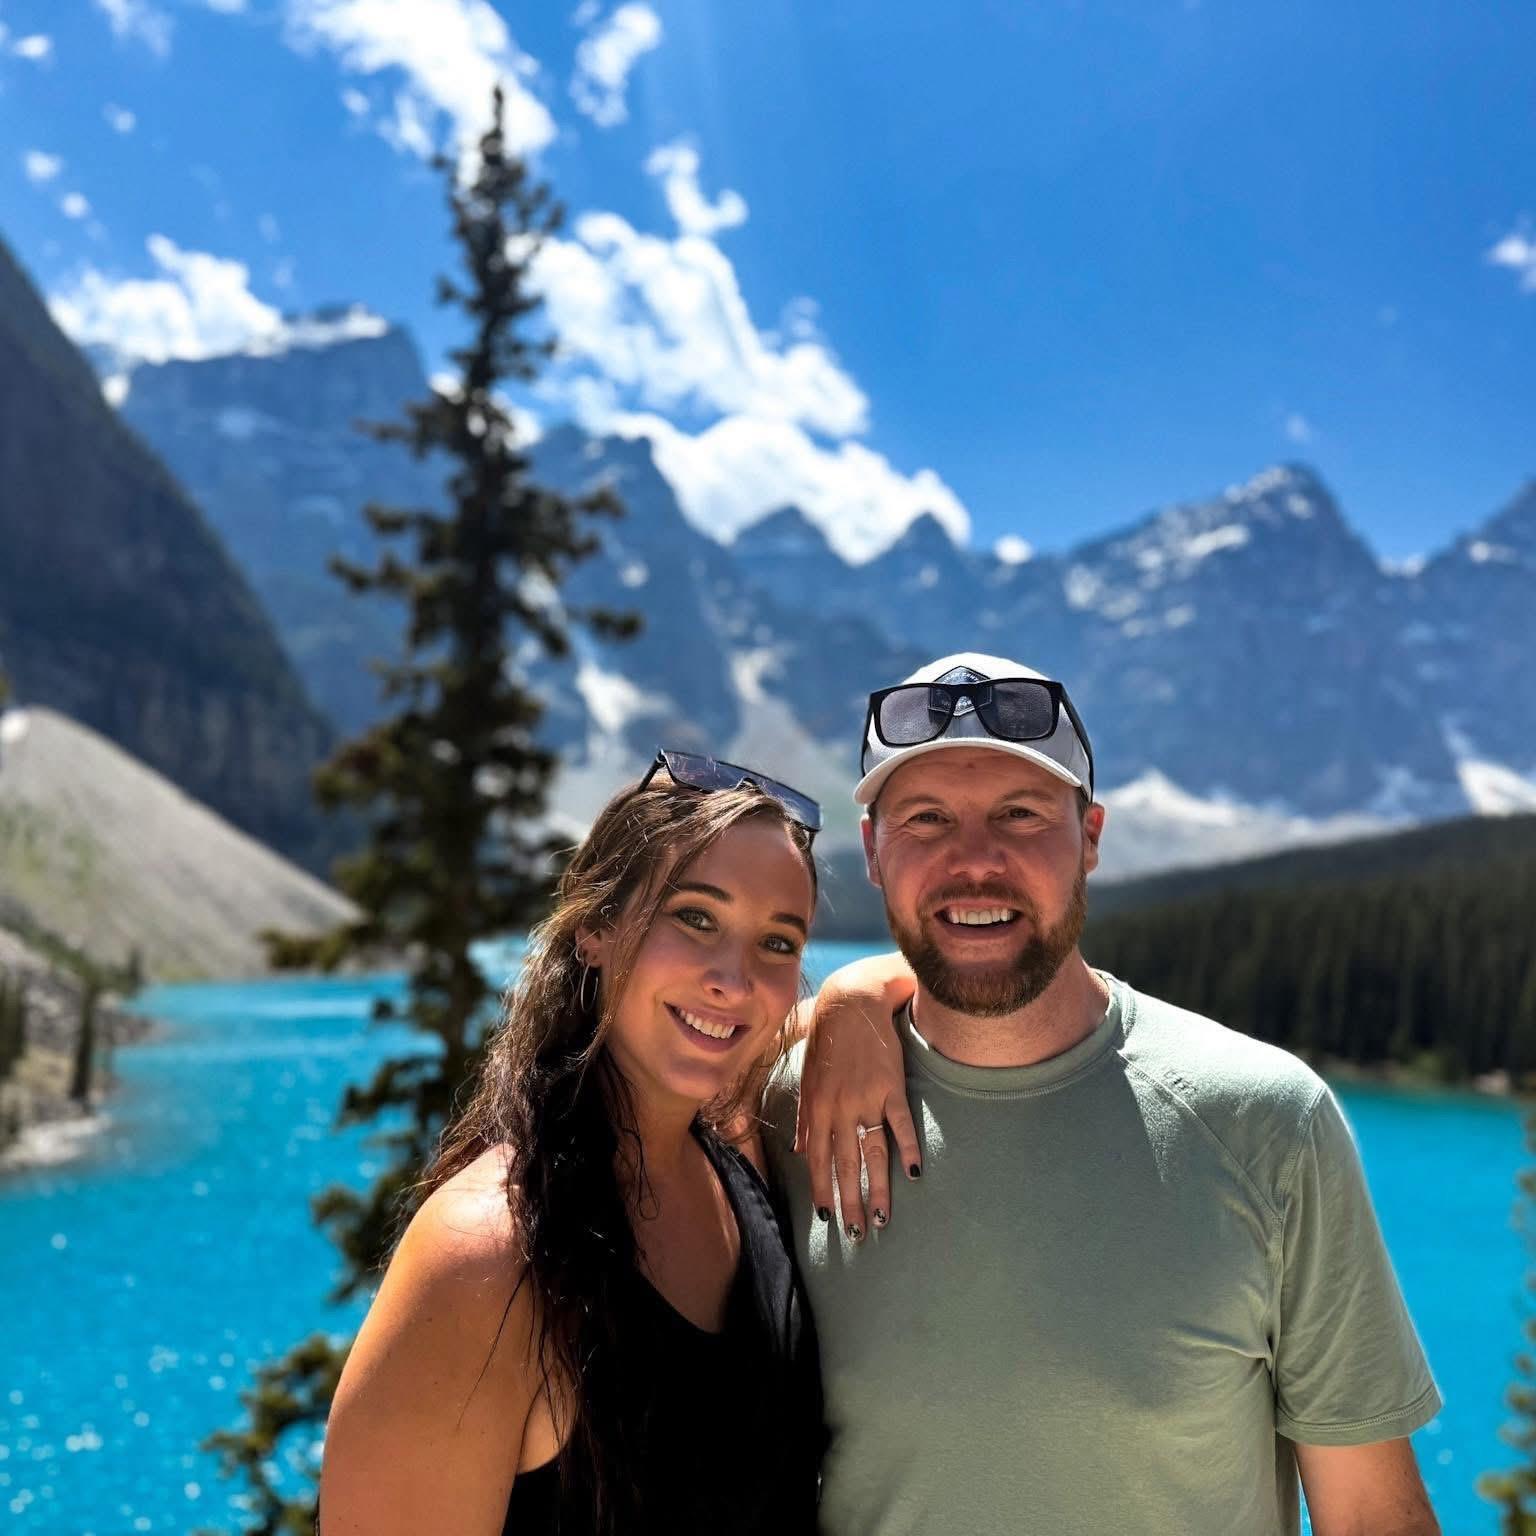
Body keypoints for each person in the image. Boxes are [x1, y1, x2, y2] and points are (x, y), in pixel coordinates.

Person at [764, 653, 1442, 1536]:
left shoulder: (1268, 1121)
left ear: (1089, 835)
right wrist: (846, 999)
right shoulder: (792, 1108)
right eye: (926, 820)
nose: (975, 862)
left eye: (1021, 814)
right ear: (873, 852)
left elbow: (1370, 1519)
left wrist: (852, 992)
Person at [319, 749, 827, 1536]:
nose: (736, 978)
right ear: (596, 925)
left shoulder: (737, 1163)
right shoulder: (486, 1260)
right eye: (695, 917)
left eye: (779, 943)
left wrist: (865, 996)